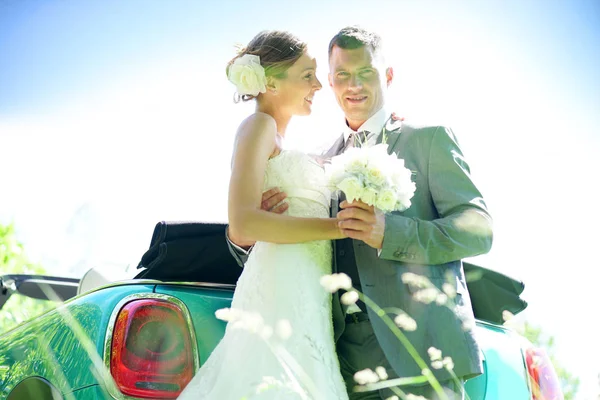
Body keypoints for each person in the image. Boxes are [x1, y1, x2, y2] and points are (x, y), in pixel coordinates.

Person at [228, 26, 494, 400]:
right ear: (331, 83)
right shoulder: (317, 160)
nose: (354, 85)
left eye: (365, 73)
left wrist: (391, 233)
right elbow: (264, 231)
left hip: (419, 351)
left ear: (387, 75)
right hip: (337, 356)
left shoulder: (429, 139)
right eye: (341, 75)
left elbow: (479, 230)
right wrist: (247, 236)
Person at [178, 30, 349, 399]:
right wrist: (340, 228)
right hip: (279, 285)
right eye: (307, 75)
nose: (318, 84)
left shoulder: (283, 141)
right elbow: (244, 223)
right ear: (270, 82)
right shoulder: (259, 126)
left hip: (306, 289)